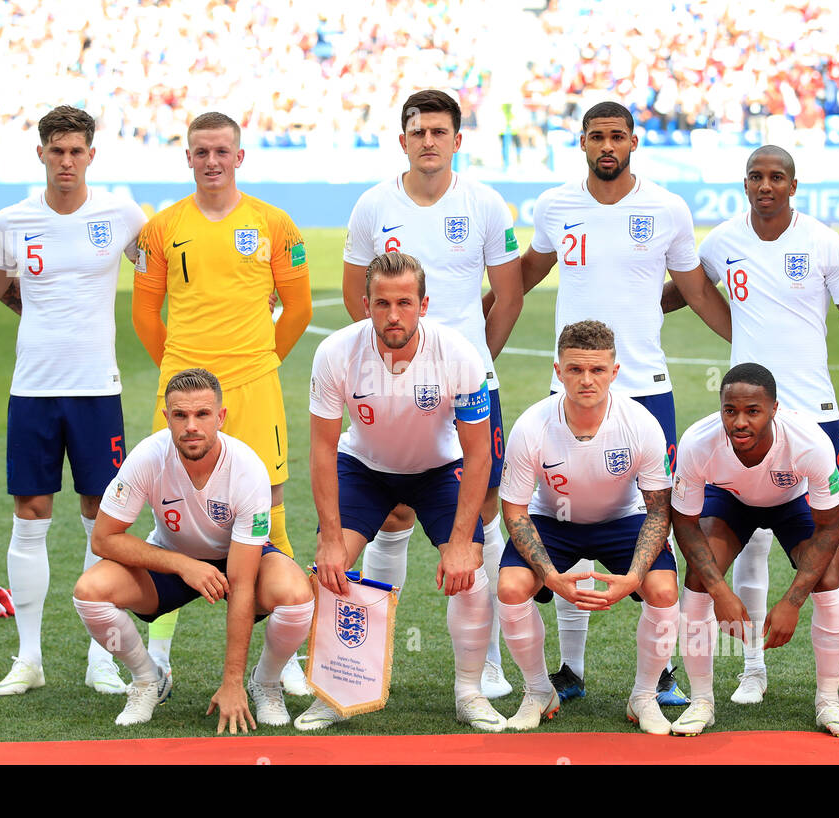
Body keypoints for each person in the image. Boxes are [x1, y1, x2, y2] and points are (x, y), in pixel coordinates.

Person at [518, 100, 731, 704]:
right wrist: (479, 307)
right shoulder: (554, 206)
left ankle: (659, 674)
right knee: (565, 515)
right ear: (581, 144)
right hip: (572, 386)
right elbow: (528, 270)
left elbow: (695, 289)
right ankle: (571, 669)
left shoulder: (666, 208)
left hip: (644, 388)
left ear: (634, 142)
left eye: (617, 137)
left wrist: (751, 340)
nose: (606, 146)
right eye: (595, 137)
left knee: (650, 522)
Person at [341, 88, 524, 699]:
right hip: (389, 383)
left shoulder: (484, 204)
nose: (428, 141)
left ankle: (489, 664)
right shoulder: (373, 205)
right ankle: (368, 662)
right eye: (418, 132)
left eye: (439, 132)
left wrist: (471, 365)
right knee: (391, 512)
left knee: (482, 513)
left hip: (467, 387)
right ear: (403, 140)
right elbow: (354, 296)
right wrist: (389, 362)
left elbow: (510, 293)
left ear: (456, 140)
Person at [0, 106, 148, 696]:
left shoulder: (121, 214)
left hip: (99, 390)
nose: (66, 161)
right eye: (56, 150)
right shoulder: (11, 221)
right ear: (40, 153)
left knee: (103, 526)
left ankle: (101, 660)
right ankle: (29, 659)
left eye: (76, 151)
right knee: (30, 520)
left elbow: (162, 276)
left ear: (91, 155)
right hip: (34, 390)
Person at [133, 111, 312, 689]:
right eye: (201, 151)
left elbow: (299, 308)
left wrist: (260, 362)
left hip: (253, 384)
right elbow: (144, 314)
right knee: (170, 508)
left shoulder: (275, 224)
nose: (211, 160)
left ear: (240, 157)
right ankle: (159, 653)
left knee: (272, 503)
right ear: (188, 157)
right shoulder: (160, 228)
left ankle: (284, 659)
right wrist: (179, 372)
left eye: (221, 151)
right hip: (183, 390)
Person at [693, 144, 839, 707]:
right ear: (743, 184)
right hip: (749, 413)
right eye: (755, 176)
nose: (765, 185)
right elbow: (688, 287)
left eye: (776, 177)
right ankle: (752, 668)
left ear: (793, 185)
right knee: (747, 549)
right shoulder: (722, 242)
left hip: (815, 415)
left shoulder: (823, 241)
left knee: (834, 544)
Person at [296, 252, 503, 732]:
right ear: (365, 304)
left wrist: (459, 541)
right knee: (329, 570)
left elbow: (478, 456)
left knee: (469, 571)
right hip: (364, 467)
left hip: (438, 468)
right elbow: (323, 451)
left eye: (405, 303)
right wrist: (329, 538)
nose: (393, 315)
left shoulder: (459, 354)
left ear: (424, 304)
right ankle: (337, 689)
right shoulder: (334, 352)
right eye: (382, 303)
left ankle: (469, 693)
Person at [72, 368, 315, 730]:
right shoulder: (147, 457)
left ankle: (263, 682)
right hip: (172, 560)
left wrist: (230, 683)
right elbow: (104, 538)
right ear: (166, 417)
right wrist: (183, 564)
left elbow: (243, 582)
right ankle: (146, 679)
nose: (191, 426)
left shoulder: (248, 469)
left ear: (221, 417)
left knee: (297, 596)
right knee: (89, 592)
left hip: (239, 559)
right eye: (180, 415)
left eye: (202, 414)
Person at [496, 320, 677, 732]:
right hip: (552, 520)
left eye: (597, 370)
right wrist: (550, 577)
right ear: (558, 371)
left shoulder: (642, 424)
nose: (586, 380)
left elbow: (658, 512)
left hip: (622, 519)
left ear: (615, 372)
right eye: (575, 369)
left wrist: (632, 577)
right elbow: (516, 512)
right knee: (510, 587)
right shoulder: (532, 426)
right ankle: (539, 690)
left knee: (663, 591)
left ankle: (644, 697)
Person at [670, 363, 839, 737]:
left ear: (774, 409)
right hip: (729, 500)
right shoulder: (698, 442)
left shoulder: (810, 442)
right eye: (730, 411)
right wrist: (720, 592)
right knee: (698, 578)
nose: (739, 422)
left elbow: (830, 526)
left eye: (752, 411)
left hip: (792, 503)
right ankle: (701, 702)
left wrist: (791, 601)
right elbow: (684, 523)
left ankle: (828, 702)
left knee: (829, 573)